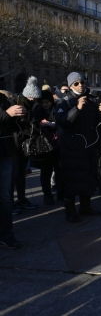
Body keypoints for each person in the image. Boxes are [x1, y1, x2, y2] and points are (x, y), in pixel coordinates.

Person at [56, 72, 101, 223]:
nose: (80, 85)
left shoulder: (92, 100)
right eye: (76, 83)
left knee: (89, 177)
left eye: (82, 82)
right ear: (71, 85)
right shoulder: (64, 101)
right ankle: (70, 210)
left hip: (89, 146)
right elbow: (63, 122)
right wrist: (77, 109)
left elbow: (100, 124)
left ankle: (86, 206)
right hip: (72, 148)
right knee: (71, 180)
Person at [0, 90, 26, 249]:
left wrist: (20, 115)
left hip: (5, 153)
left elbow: (13, 126)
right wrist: (6, 114)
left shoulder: (4, 99)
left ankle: (6, 234)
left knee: (5, 198)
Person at [11, 76, 41, 211]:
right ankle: (13, 201)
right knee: (15, 174)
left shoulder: (31, 107)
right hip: (16, 144)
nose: (33, 99)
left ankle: (21, 199)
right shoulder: (19, 105)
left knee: (21, 174)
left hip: (23, 144)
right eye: (32, 97)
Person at [31, 90, 62, 205]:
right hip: (44, 145)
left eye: (47, 102)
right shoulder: (37, 110)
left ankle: (60, 192)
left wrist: (52, 124)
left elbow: (61, 122)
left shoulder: (57, 108)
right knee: (46, 172)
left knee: (59, 170)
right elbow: (33, 124)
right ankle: (47, 195)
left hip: (57, 144)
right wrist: (39, 125)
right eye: (43, 102)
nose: (45, 104)